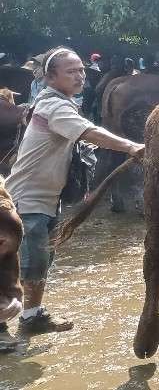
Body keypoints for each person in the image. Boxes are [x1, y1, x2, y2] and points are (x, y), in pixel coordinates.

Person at [1, 47, 144, 342]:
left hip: (47, 198)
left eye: (81, 70)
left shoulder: (58, 101)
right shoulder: (56, 106)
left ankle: (32, 317)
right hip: (28, 199)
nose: (80, 76)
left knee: (40, 261)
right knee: (18, 264)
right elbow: (87, 131)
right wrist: (131, 147)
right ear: (51, 77)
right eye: (71, 71)